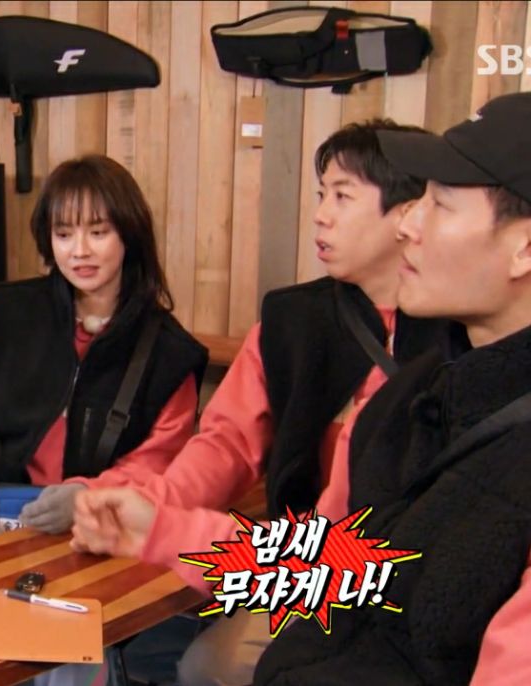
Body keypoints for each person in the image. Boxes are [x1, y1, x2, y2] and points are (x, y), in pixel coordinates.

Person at [70, 120, 461, 686]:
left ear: (406, 214)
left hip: (398, 575)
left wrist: (164, 529)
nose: (320, 215)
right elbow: (227, 442)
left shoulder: (458, 331)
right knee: (204, 660)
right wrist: (146, 506)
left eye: (342, 197)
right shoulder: (292, 320)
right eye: (321, 195)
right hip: (303, 560)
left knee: (219, 664)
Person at [252, 91, 531, 685]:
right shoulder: (405, 402)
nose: (406, 224)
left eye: (441, 203)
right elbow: (318, 574)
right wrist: (163, 530)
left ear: (525, 248)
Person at [0, 154, 209, 546]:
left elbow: (159, 464)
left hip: (97, 537)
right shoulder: (8, 314)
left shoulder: (169, 353)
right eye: (64, 234)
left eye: (98, 232)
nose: (79, 251)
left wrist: (87, 495)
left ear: (129, 234)